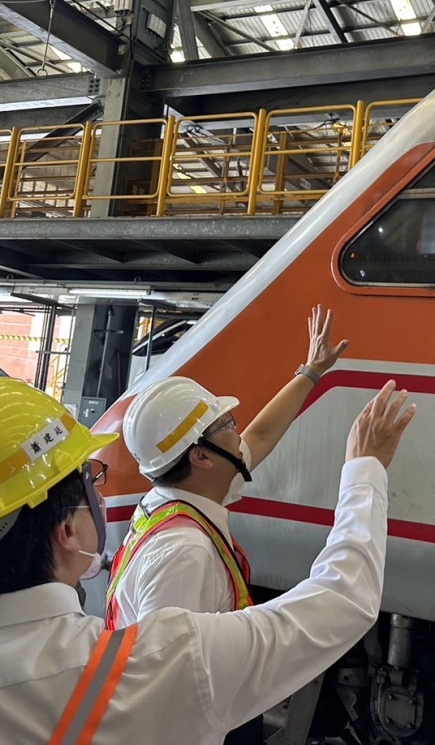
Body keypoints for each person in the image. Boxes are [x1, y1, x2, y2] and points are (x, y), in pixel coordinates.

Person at [0, 375, 415, 744]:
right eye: (91, 482)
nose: (102, 498)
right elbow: (342, 601)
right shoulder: (166, 667)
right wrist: (364, 469)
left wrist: (309, 373)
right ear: (67, 531)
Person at [106, 305, 347, 743]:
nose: (238, 430)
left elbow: (259, 437)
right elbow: (169, 683)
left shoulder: (180, 496)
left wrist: (311, 371)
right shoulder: (184, 551)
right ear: (201, 456)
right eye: (226, 424)